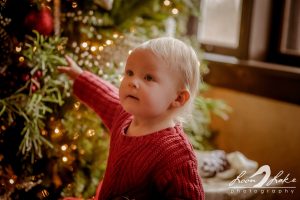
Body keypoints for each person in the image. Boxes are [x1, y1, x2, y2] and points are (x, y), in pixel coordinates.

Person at [59, 37, 205, 200]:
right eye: (129, 73)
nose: (132, 82)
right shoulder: (124, 115)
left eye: (148, 77)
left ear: (178, 98)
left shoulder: (176, 154)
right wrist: (80, 76)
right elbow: (104, 96)